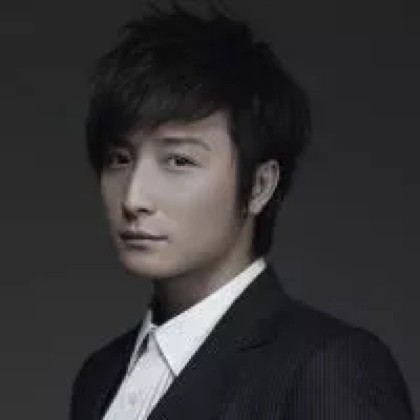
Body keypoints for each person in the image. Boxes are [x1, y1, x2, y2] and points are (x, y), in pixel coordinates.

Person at [70, 4, 413, 419]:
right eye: (119, 159)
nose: (133, 198)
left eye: (179, 161)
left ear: (259, 185)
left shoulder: (326, 368)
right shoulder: (99, 375)